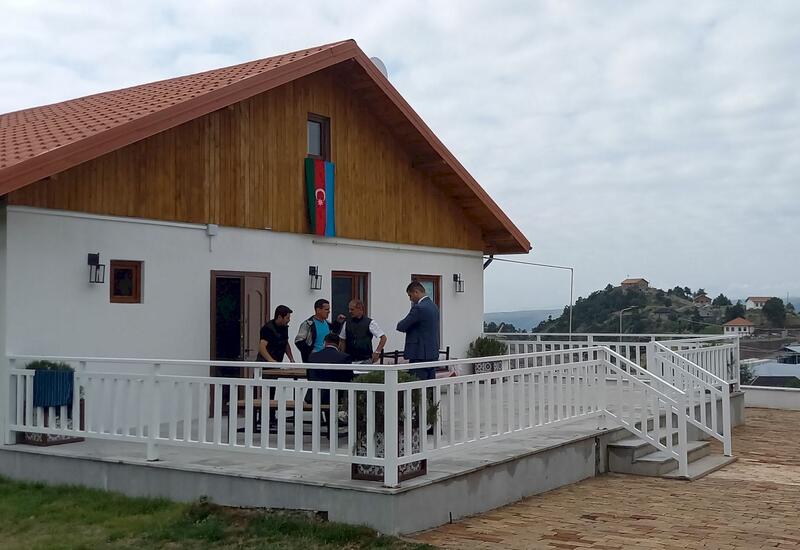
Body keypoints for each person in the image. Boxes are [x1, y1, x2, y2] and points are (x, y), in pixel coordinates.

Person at [396, 281, 440, 380]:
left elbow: (402, 326)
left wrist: (402, 324)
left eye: (410, 295)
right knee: (430, 385)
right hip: (432, 353)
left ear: (416, 292)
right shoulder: (434, 307)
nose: (410, 299)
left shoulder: (419, 308)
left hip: (419, 353)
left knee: (417, 385)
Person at [307, 333, 353, 404]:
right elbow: (348, 377)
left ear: (324, 343)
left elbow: (309, 376)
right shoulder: (345, 358)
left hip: (314, 397)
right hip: (336, 398)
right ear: (339, 344)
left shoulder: (312, 357)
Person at [295, 298, 344, 363]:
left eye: (329, 309)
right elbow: (298, 341)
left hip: (327, 358)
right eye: (326, 309)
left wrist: (338, 322)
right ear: (318, 310)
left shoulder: (327, 323)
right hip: (314, 359)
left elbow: (334, 334)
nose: (329, 311)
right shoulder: (308, 324)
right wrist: (309, 353)